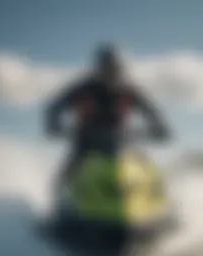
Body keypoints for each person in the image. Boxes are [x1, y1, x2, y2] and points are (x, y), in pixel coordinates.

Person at [44, 43, 171, 192]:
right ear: (99, 68)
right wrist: (55, 126)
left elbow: (152, 111)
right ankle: (61, 202)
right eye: (107, 68)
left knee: (148, 171)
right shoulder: (84, 88)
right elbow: (55, 107)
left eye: (115, 68)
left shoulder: (129, 91)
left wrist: (160, 128)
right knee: (68, 174)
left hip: (123, 141)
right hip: (87, 142)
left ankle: (159, 204)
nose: (111, 72)